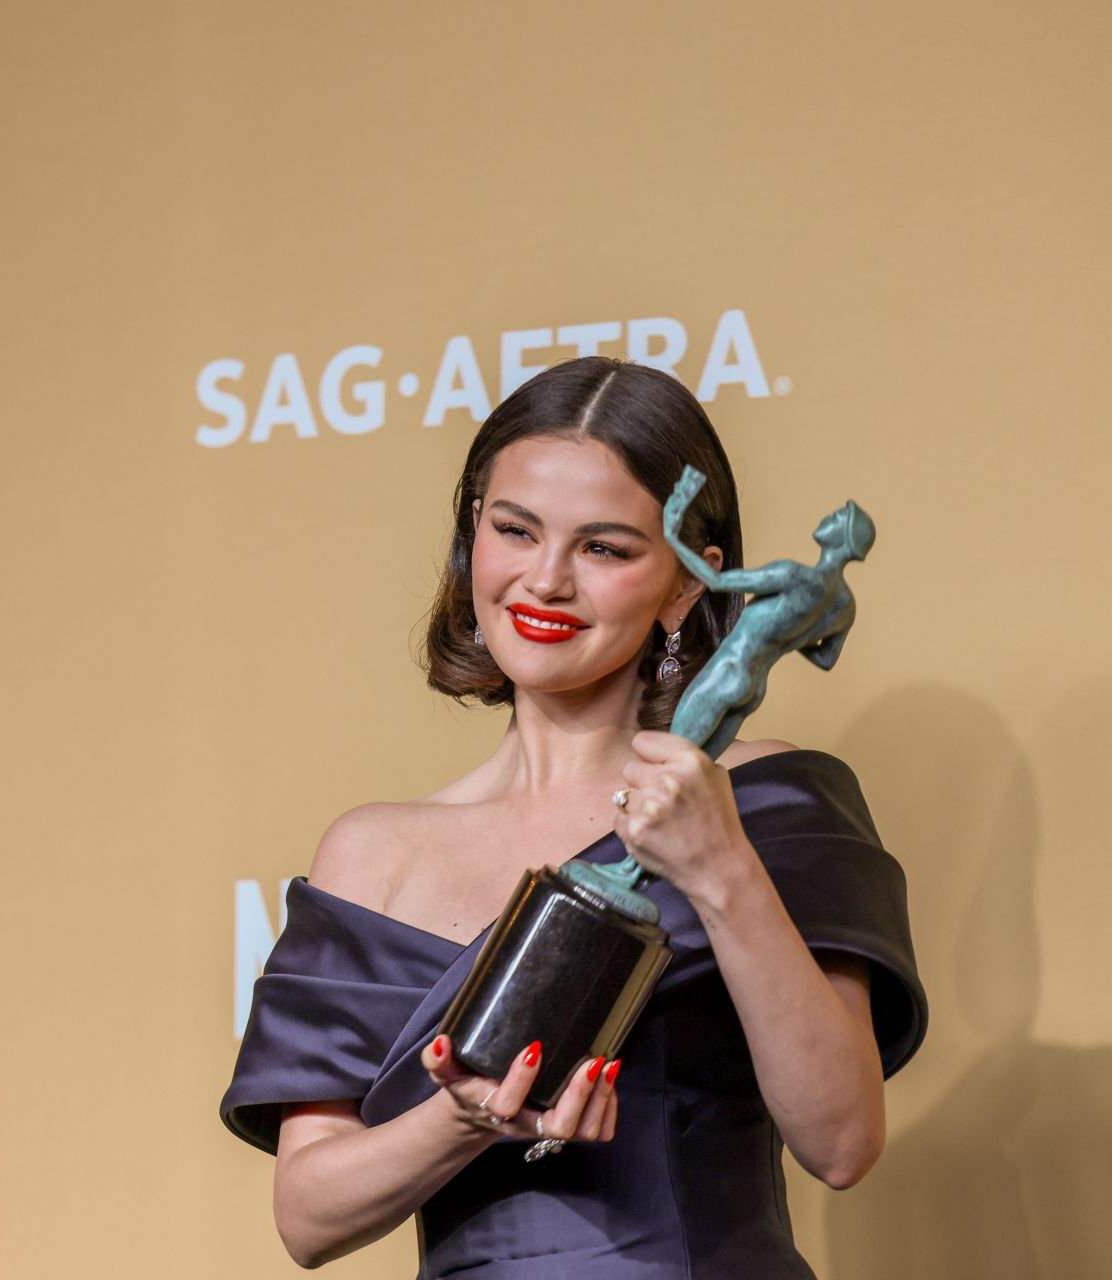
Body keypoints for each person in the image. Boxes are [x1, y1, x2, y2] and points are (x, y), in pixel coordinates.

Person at [218, 356, 926, 1277]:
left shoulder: (767, 799)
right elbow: (309, 1220)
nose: (545, 581)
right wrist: (465, 1118)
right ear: (475, 534)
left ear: (687, 584)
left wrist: (720, 870)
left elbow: (842, 1142)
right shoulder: (374, 851)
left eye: (604, 548)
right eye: (516, 530)